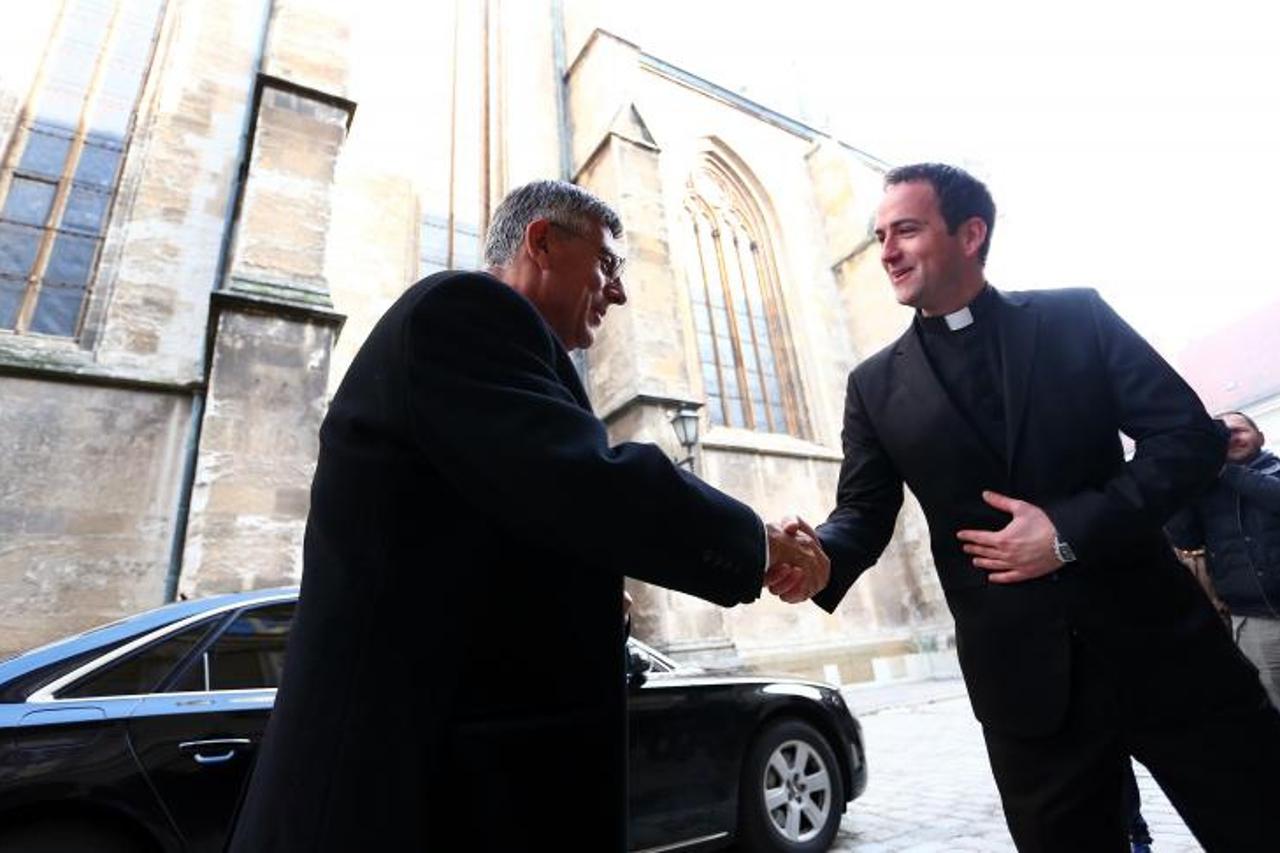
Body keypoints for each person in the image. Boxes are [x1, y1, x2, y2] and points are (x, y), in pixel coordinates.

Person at [227, 180, 827, 852]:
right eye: (607, 263)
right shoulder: (462, 311)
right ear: (542, 241)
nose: (619, 292)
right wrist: (756, 541)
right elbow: (583, 481)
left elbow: (501, 529)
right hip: (400, 789)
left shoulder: (512, 352)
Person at [773, 163, 1280, 852]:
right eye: (880, 234)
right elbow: (863, 510)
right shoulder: (873, 386)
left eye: (907, 230)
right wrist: (822, 555)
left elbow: (1187, 440)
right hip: (1027, 695)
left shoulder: (1078, 317)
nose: (885, 250)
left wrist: (1067, 532)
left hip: (1165, 651)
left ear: (971, 232)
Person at [1167, 410, 1280, 708]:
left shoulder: (1275, 473)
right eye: (1222, 434)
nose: (1231, 437)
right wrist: (1179, 485)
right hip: (1256, 622)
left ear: (1261, 437)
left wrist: (1222, 470)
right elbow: (1186, 539)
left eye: (1239, 431)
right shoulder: (1206, 492)